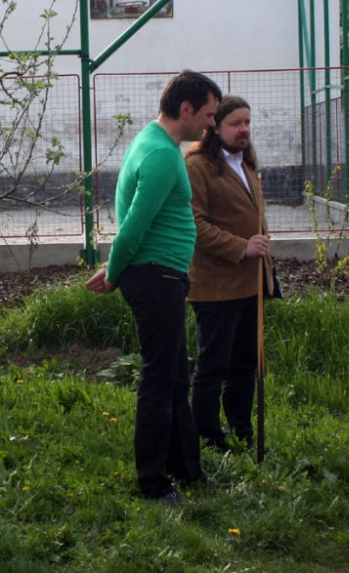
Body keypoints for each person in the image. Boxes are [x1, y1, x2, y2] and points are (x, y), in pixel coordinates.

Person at [85, 69, 222, 505]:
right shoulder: (163, 155)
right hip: (155, 275)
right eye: (208, 114)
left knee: (176, 375)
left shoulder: (153, 140)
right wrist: (113, 270)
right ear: (186, 109)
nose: (211, 124)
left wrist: (118, 269)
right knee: (160, 379)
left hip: (161, 274)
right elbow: (133, 225)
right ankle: (153, 483)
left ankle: (186, 469)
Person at [185, 95, 274, 452]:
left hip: (250, 283)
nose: (244, 130)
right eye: (236, 123)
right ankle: (206, 436)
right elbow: (194, 224)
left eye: (248, 122)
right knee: (213, 365)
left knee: (245, 364)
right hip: (215, 285)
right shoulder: (197, 167)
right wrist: (241, 246)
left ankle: (241, 428)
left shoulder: (246, 162)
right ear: (214, 126)